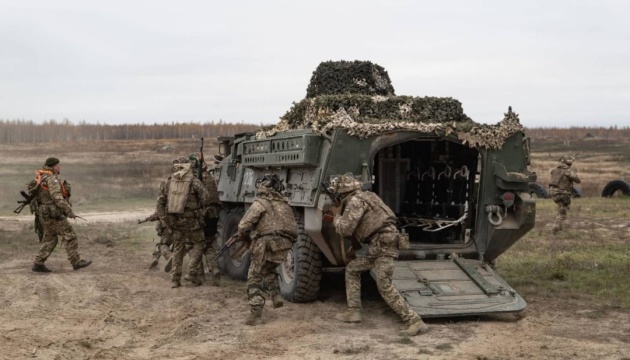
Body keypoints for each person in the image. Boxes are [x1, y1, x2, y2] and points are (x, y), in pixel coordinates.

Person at [330, 173, 428, 336]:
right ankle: (354, 311)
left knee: (384, 284)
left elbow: (345, 229)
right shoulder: (370, 196)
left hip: (383, 244)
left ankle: (414, 321)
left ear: (343, 192)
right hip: (380, 244)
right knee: (353, 269)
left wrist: (336, 216)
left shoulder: (355, 201)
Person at [237, 174, 297, 325]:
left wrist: (246, 238)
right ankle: (276, 295)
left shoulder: (260, 203)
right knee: (268, 267)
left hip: (267, 243)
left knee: (254, 275)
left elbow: (243, 226)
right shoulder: (285, 205)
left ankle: (256, 314)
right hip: (285, 245)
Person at [30, 157, 92, 272]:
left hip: (44, 213)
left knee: (50, 239)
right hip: (53, 214)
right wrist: (69, 211)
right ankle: (76, 261)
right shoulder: (52, 179)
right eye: (58, 165)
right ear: (53, 166)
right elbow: (57, 197)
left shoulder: (42, 177)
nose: (60, 167)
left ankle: (38, 263)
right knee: (70, 235)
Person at [156, 156, 210, 288]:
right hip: (192, 222)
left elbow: (160, 203)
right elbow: (206, 199)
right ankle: (191, 272)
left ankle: (175, 279)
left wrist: (166, 220)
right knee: (200, 243)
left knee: (178, 248)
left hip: (175, 222)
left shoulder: (168, 183)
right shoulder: (194, 181)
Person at [549, 155, 581, 234]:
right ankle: (555, 229)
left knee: (561, 209)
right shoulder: (568, 171)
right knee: (563, 213)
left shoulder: (555, 170)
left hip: (552, 193)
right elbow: (577, 180)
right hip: (562, 193)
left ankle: (559, 228)